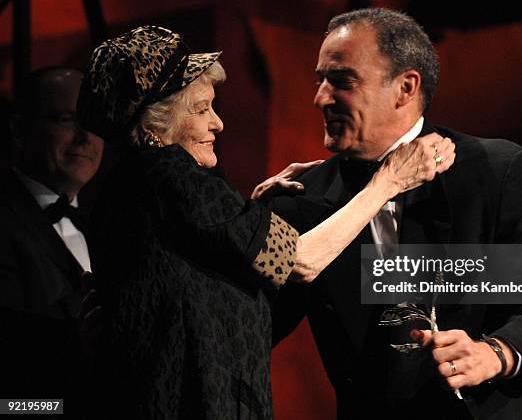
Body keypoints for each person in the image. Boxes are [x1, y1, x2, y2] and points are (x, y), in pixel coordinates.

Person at [75, 25, 455, 420]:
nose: (218, 124)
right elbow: (300, 262)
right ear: (155, 125)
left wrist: (249, 214)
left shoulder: (125, 184)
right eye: (202, 109)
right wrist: (388, 181)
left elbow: (191, 279)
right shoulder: (172, 173)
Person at [270, 8, 522, 419]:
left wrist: (497, 354)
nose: (320, 98)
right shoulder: (300, 198)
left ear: (405, 87)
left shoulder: (496, 171)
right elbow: (251, 325)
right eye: (320, 80)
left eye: (341, 81)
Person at [0, 67, 104, 415]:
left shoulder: (106, 227)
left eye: (96, 122)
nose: (86, 136)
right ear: (19, 130)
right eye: (67, 119)